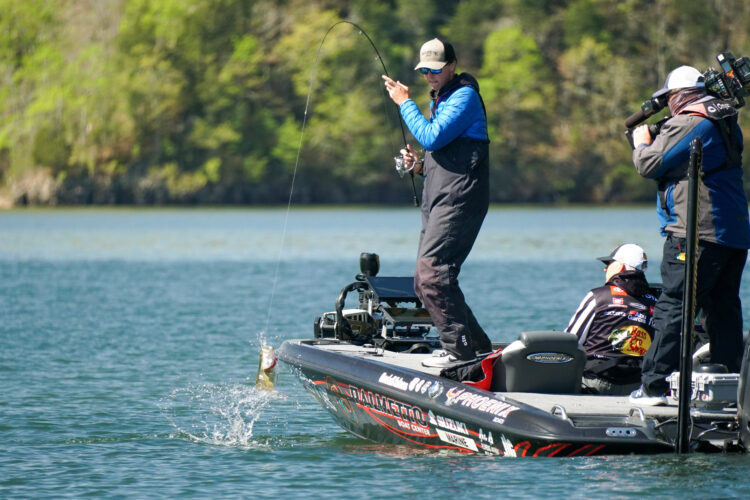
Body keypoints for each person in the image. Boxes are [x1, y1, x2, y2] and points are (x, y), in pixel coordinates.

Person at [630, 65, 750, 405]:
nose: (668, 106)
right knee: (723, 308)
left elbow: (649, 164)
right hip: (733, 232)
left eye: (669, 99)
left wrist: (641, 143)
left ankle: (653, 387)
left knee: (674, 307)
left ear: (678, 96)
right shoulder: (726, 120)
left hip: (696, 233)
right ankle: (732, 388)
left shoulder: (691, 121)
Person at [382, 38, 492, 368]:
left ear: (452, 66)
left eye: (435, 69)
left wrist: (405, 103)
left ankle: (459, 356)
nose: (429, 76)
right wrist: (419, 165)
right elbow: (441, 150)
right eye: (424, 71)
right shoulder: (443, 98)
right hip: (440, 197)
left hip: (459, 199)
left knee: (433, 277)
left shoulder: (465, 97)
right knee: (426, 280)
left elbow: (431, 137)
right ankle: (479, 350)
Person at [565, 244, 658, 395]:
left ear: (621, 267)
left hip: (596, 381)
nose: (605, 269)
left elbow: (571, 340)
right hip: (636, 385)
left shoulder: (598, 296)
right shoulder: (655, 301)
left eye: (609, 264)